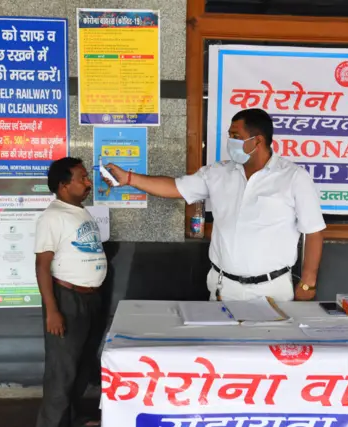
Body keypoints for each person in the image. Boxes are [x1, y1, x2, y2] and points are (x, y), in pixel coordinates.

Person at [103, 108, 325, 302]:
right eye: (230, 135)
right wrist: (129, 179)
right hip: (223, 288)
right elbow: (174, 187)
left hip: (272, 290)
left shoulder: (294, 177)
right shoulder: (219, 173)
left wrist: (308, 284)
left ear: (257, 141)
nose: (230, 141)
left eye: (236, 136)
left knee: (266, 350)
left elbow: (314, 232)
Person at [35, 157, 107, 427]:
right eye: (82, 178)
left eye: (87, 177)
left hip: (90, 298)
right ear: (64, 186)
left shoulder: (79, 211)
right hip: (67, 299)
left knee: (81, 366)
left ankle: (72, 419)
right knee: (61, 372)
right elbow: (42, 266)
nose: (88, 183)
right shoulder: (52, 217)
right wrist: (52, 311)